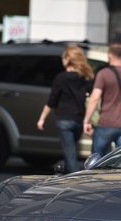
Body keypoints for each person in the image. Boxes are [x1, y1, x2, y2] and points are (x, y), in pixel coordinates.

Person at [37, 44, 94, 173]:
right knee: (71, 151)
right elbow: (93, 96)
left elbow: (52, 100)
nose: (62, 60)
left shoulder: (61, 78)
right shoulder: (85, 77)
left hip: (64, 120)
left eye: (63, 57)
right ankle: (67, 176)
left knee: (70, 154)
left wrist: (42, 119)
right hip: (79, 119)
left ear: (69, 59)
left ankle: (74, 179)